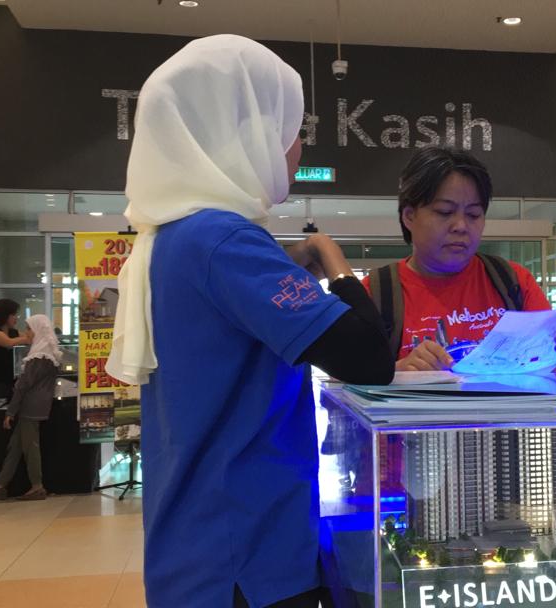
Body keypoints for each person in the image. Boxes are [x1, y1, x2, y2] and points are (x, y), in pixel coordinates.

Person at [105, 35, 393, 608]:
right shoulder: (224, 239)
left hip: (197, 544)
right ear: (245, 132)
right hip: (247, 555)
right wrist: (334, 263)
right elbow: (368, 358)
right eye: (290, 127)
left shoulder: (171, 237)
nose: (298, 145)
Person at [363, 146, 556, 371]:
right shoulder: (375, 293)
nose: (461, 226)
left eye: (473, 214)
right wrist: (395, 373)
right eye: (444, 212)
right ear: (409, 216)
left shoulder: (513, 281)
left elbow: (550, 369)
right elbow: (348, 381)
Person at [0, 315, 61, 502]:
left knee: (30, 447)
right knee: (15, 447)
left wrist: (10, 411)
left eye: (29, 328)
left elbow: (23, 386)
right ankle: (0, 486)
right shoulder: (49, 355)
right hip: (37, 406)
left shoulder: (38, 357)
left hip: (30, 408)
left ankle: (37, 487)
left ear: (38, 330)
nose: (26, 333)